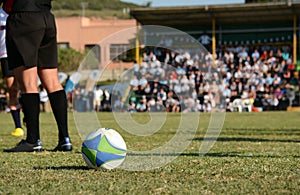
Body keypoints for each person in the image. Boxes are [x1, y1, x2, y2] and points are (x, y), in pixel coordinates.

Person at [3, 0, 72, 152]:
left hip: (23, 17)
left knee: (28, 84)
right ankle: (65, 139)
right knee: (53, 82)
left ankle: (33, 140)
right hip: (47, 17)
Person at [0, 6, 24, 136]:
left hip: (21, 53)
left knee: (26, 87)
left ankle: (28, 115)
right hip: (5, 56)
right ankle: (18, 126)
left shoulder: (21, 12)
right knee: (12, 89)